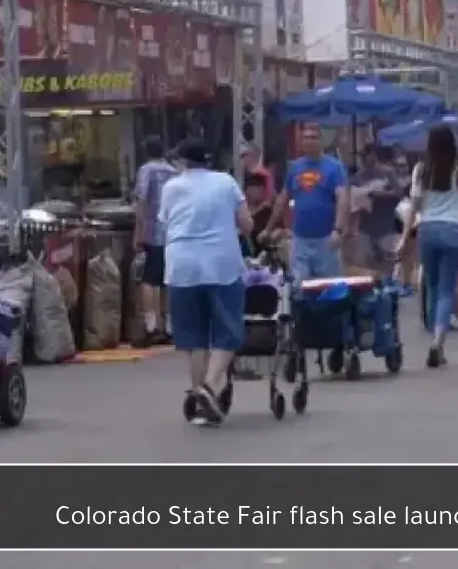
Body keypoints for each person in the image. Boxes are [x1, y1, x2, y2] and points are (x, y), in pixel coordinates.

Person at [156, 140, 253, 426]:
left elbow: (166, 223)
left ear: (182, 163)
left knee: (193, 337)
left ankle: (201, 399)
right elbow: (247, 223)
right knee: (228, 331)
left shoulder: (171, 187)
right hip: (221, 264)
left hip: (181, 265)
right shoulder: (226, 182)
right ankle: (209, 387)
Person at [396, 125, 458, 368]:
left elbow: (414, 206)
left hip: (428, 229)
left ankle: (432, 333)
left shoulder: (422, 169)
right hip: (454, 230)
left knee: (431, 284)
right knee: (447, 289)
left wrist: (405, 237)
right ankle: (438, 340)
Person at [261, 124, 350, 280]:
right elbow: (282, 199)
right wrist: (268, 229)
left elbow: (342, 199)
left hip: (326, 239)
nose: (309, 141)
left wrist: (338, 230)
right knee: (299, 288)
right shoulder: (295, 168)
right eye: (305, 138)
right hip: (300, 240)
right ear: (300, 142)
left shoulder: (334, 167)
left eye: (313, 137)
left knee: (328, 288)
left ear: (321, 141)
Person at [132, 135, 178, 345]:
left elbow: (141, 201)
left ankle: (151, 326)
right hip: (174, 232)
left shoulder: (147, 170)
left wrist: (138, 232)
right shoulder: (173, 171)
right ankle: (169, 326)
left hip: (153, 233)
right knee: (168, 280)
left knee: (148, 280)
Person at [353, 145, 401, 274]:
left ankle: (387, 283)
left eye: (366, 155)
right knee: (366, 261)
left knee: (387, 260)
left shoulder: (388, 172)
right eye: (361, 156)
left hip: (385, 224)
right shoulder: (358, 176)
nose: (363, 159)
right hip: (365, 225)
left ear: (374, 155)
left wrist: (378, 194)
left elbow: (398, 193)